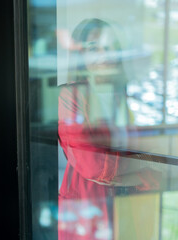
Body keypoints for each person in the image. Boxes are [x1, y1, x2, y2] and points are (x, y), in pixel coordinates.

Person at [57, 19, 161, 239]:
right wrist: (143, 174)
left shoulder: (126, 93)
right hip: (88, 204)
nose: (104, 54)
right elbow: (94, 167)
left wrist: (139, 171)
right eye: (93, 48)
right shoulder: (71, 96)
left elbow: (150, 150)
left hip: (132, 203)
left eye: (110, 46)